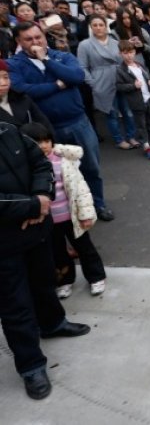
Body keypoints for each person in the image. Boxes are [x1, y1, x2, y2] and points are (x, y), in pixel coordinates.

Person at [0, 119, 90, 400]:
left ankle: (52, 323)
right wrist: (32, 206)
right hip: (3, 243)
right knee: (16, 305)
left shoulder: (7, 129)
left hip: (36, 230)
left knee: (44, 281)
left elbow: (41, 163)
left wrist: (42, 197)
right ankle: (31, 366)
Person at [8, 21, 114, 221]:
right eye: (29, 39)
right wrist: (57, 85)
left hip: (77, 123)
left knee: (90, 167)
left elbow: (76, 76)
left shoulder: (61, 56)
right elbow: (23, 90)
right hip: (46, 132)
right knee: (57, 175)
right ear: (19, 42)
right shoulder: (15, 64)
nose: (35, 42)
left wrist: (47, 60)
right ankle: (70, 212)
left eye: (38, 37)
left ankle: (98, 204)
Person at [20, 121, 107, 297]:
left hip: (72, 216)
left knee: (85, 248)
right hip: (48, 220)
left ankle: (96, 277)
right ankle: (65, 280)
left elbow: (81, 190)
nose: (43, 146)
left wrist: (85, 214)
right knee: (57, 252)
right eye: (37, 142)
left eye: (46, 140)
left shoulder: (64, 161)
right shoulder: (27, 168)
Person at [77, 15, 137, 149]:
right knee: (111, 113)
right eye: (95, 25)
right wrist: (93, 83)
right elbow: (82, 67)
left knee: (127, 111)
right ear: (91, 27)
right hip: (101, 81)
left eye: (101, 24)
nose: (98, 28)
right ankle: (119, 139)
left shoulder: (115, 42)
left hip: (120, 79)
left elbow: (125, 60)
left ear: (106, 26)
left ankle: (131, 136)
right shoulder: (85, 45)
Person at [115, 40, 150, 159]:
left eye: (131, 52)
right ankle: (146, 146)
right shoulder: (121, 70)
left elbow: (147, 76)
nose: (129, 55)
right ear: (120, 54)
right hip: (136, 102)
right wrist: (133, 86)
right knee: (141, 125)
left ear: (134, 52)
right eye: (125, 53)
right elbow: (119, 86)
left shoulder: (139, 64)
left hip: (148, 98)